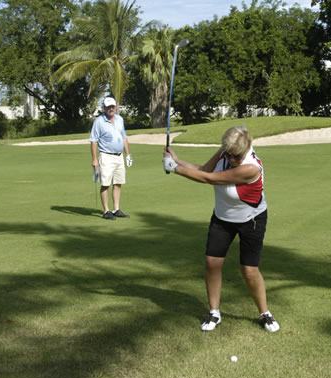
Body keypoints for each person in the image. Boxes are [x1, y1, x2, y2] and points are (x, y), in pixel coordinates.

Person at [162, 126, 280, 333]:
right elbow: (204, 170)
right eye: (227, 153)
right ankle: (214, 312)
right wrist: (177, 160)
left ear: (244, 150)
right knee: (212, 263)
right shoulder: (226, 151)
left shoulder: (250, 167)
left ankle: (264, 313)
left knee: (249, 270)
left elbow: (211, 180)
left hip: (251, 219)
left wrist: (175, 169)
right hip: (223, 217)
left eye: (234, 155)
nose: (230, 158)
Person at [90, 97, 133, 220]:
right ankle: (106, 211)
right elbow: (93, 141)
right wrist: (94, 159)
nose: (111, 109)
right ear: (104, 107)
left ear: (115, 107)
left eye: (113, 106)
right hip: (106, 156)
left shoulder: (119, 119)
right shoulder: (99, 121)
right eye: (108, 107)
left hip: (119, 156)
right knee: (105, 184)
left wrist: (128, 154)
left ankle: (116, 209)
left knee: (118, 183)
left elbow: (123, 137)